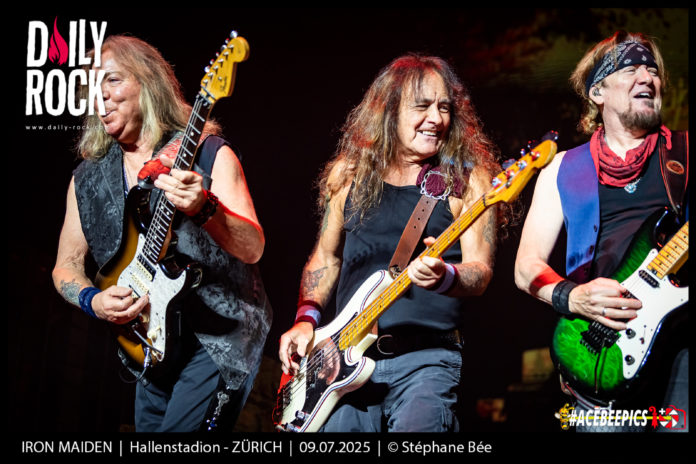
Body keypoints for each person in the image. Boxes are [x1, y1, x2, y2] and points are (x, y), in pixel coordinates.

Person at [52, 35, 271, 432]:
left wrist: (205, 208)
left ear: (149, 83)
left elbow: (253, 248)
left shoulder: (208, 153)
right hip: (149, 345)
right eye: (93, 87)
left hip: (217, 338)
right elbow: (65, 265)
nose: (101, 95)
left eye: (113, 79)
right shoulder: (85, 179)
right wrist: (93, 301)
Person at [278, 54, 503, 432]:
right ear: (389, 110)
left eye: (444, 107)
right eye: (422, 106)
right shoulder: (348, 174)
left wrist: (445, 276)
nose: (436, 118)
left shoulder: (467, 180)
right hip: (342, 360)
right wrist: (305, 320)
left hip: (426, 360)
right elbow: (325, 258)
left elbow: (480, 272)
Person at [514, 31, 688, 432]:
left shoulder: (685, 152)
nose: (647, 77)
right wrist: (573, 297)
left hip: (682, 349)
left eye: (652, 70)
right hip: (600, 350)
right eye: (630, 69)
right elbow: (525, 268)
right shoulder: (562, 169)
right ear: (598, 92)